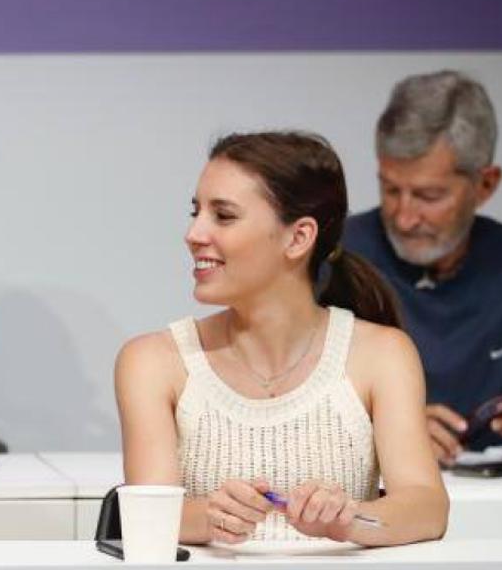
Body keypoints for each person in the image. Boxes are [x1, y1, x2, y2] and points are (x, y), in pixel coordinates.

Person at [115, 131, 448, 545]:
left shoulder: (382, 355)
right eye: (195, 211)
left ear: (299, 238)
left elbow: (427, 508)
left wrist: (347, 519)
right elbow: (149, 516)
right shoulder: (152, 361)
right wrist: (209, 517)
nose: (194, 233)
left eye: (223, 216)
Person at [344, 70, 502, 462]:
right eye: (390, 189)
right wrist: (383, 426)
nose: (403, 217)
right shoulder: (331, 257)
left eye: (428, 195)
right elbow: (266, 394)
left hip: (501, 506)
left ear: (485, 185)